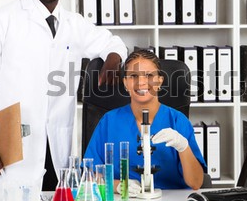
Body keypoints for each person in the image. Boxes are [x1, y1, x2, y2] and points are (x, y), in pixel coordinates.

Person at [0, 0, 127, 192]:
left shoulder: (75, 24)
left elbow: (112, 42)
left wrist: (113, 59)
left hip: (56, 146)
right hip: (10, 147)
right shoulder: (1, 19)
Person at [84, 49, 206, 192]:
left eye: (149, 75)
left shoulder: (177, 121)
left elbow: (196, 183)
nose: (141, 82)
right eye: (133, 76)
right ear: (125, 83)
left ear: (160, 81)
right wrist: (117, 185)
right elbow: (88, 175)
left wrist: (183, 147)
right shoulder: (109, 122)